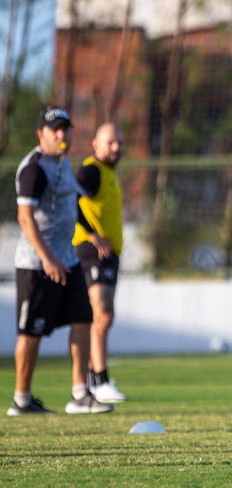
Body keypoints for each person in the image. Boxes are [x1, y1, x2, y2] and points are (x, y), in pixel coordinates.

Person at [8, 106, 114, 415]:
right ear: (41, 134)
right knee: (31, 332)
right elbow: (25, 218)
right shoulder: (34, 168)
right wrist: (47, 258)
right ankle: (22, 399)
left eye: (65, 128)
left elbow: (73, 205)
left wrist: (92, 235)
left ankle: (80, 393)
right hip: (36, 263)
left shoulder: (63, 164)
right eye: (55, 129)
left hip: (67, 258)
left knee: (83, 319)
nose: (61, 134)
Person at [72, 122, 128, 403]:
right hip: (91, 252)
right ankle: (99, 381)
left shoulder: (108, 173)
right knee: (101, 315)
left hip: (108, 255)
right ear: (96, 144)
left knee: (104, 316)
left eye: (119, 141)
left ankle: (96, 380)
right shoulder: (92, 170)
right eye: (110, 142)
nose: (116, 147)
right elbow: (71, 199)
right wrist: (93, 236)